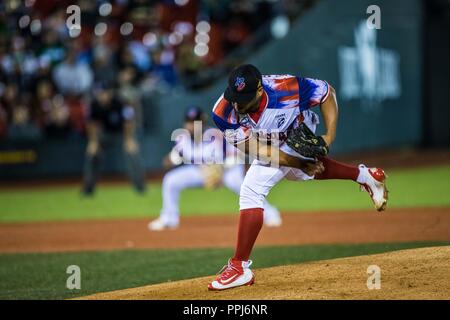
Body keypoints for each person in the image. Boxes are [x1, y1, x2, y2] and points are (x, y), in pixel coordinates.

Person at [207, 64, 388, 291]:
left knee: (251, 190)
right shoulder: (223, 112)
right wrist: (300, 163)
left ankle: (239, 267)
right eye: (234, 97)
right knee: (299, 173)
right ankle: (366, 176)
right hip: (266, 142)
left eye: (243, 99)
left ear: (260, 90)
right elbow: (259, 150)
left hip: (296, 129)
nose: (237, 104)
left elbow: (327, 92)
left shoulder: (287, 88)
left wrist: (329, 136)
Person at [148, 106, 282, 231]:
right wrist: (170, 159)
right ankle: (169, 218)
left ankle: (270, 214)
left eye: (196, 121)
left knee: (239, 184)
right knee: (171, 179)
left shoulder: (216, 135)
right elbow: (172, 159)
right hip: (200, 171)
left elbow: (237, 155)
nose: (192, 125)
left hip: (227, 170)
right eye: (189, 121)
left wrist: (220, 169)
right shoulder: (182, 138)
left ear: (203, 121)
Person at [82, 82, 146, 195]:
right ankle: (88, 188)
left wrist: (129, 140)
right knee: (92, 152)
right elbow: (91, 125)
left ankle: (140, 187)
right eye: (99, 93)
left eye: (104, 93)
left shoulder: (119, 103)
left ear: (110, 93)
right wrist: (94, 142)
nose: (102, 96)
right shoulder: (94, 105)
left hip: (122, 133)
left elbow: (128, 122)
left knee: (132, 151)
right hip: (104, 134)